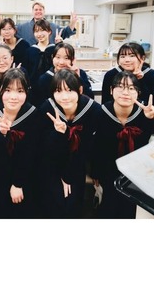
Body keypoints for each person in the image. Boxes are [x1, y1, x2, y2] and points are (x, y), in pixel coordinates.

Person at [92, 71, 154, 219]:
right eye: (120, 87)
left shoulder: (145, 113)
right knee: (108, 210)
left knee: (133, 212)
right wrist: (95, 173)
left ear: (138, 93)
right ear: (111, 90)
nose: (125, 92)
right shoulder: (101, 113)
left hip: (139, 172)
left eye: (131, 88)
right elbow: (95, 147)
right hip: (109, 171)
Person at [37, 69, 102, 218]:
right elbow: (44, 150)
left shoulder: (93, 110)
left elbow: (91, 148)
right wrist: (58, 134)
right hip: (52, 165)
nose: (64, 97)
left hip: (78, 165)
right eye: (58, 91)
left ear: (80, 90)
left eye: (69, 90)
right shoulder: (47, 109)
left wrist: (68, 176)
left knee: (73, 203)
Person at [0, 68, 38, 218]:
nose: (14, 97)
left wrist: (18, 183)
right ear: (0, 89)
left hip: (23, 179)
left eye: (20, 91)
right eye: (8, 90)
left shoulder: (32, 114)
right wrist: (0, 133)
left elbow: (31, 154)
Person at [32, 41, 94, 107]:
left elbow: (90, 98)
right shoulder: (45, 78)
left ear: (72, 60)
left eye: (66, 58)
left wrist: (77, 78)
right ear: (52, 57)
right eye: (58, 57)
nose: (61, 62)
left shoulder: (80, 73)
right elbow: (39, 103)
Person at [0, 2, 77, 45]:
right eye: (36, 10)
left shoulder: (53, 27)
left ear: (44, 11)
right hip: (30, 60)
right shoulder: (23, 27)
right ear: (32, 12)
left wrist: (73, 22)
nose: (38, 11)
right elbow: (10, 29)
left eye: (40, 9)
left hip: (49, 59)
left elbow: (66, 32)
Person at [25, 18, 58, 87]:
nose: (39, 34)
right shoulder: (30, 50)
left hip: (52, 86)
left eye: (42, 30)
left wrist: (60, 45)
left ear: (49, 31)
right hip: (33, 88)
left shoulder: (55, 49)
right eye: (36, 31)